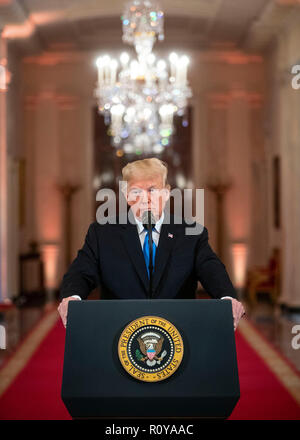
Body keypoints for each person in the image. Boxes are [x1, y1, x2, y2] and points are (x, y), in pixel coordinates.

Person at [58, 158, 245, 329]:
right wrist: (72, 297)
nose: (146, 199)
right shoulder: (102, 233)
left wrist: (227, 298)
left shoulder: (191, 233)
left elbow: (212, 270)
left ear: (166, 192)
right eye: (136, 191)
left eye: (152, 190)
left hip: (178, 331)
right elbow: (81, 272)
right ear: (126, 195)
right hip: (118, 331)